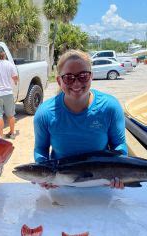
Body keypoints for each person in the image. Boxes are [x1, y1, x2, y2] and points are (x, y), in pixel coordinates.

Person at [33, 49, 127, 189]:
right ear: (59, 81)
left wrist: (120, 170)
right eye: (69, 78)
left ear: (91, 76)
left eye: (83, 76)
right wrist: (43, 174)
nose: (76, 84)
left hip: (102, 185)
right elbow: (41, 149)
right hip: (60, 186)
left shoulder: (110, 107)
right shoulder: (45, 113)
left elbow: (119, 145)